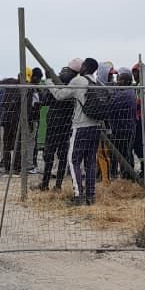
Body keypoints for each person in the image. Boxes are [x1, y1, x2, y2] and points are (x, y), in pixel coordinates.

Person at [50, 58, 103, 206]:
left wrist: (49, 83)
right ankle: (90, 196)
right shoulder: (97, 82)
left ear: (85, 67)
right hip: (96, 126)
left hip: (81, 126)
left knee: (73, 161)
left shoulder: (79, 81)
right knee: (91, 162)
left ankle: (78, 195)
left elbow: (59, 95)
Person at [38, 60, 80, 190]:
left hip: (54, 121)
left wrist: (48, 80)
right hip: (67, 122)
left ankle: (45, 183)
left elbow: (45, 100)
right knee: (63, 155)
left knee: (49, 153)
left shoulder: (58, 79)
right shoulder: (75, 82)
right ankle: (58, 185)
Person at [109, 69, 138, 180]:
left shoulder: (127, 93)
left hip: (125, 129)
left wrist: (111, 96)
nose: (117, 82)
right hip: (121, 128)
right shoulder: (125, 91)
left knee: (124, 154)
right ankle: (126, 176)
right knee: (122, 153)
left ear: (127, 81)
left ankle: (128, 176)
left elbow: (112, 105)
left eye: (120, 80)